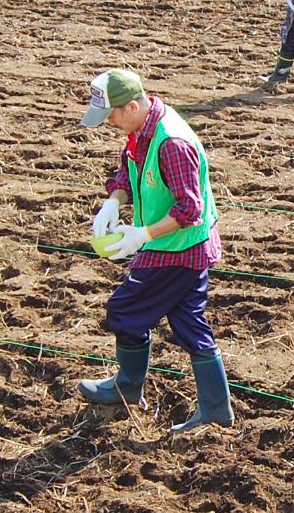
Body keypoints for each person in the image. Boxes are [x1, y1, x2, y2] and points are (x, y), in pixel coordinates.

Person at [75, 68, 234, 434]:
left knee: (124, 309)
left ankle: (128, 386)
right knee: (189, 323)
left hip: (178, 248)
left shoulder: (171, 143)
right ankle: (215, 410)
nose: (110, 123)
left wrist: (141, 235)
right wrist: (114, 201)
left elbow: (190, 210)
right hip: (177, 245)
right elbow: (125, 173)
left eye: (112, 115)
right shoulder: (139, 132)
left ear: (132, 105)